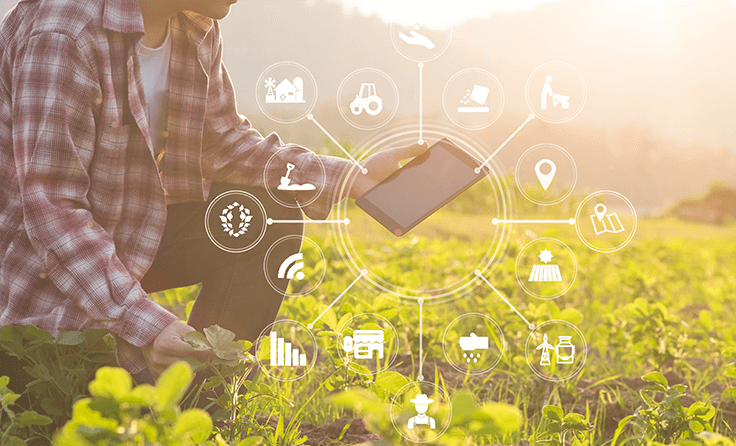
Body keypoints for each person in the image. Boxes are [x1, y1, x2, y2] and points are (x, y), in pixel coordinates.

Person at [0, 0, 426, 389]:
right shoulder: (62, 32)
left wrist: (352, 177)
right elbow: (52, 209)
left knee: (268, 214)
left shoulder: (193, 23)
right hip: (36, 275)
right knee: (67, 407)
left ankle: (204, 396)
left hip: (125, 243)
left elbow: (221, 141)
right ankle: (151, 363)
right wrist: (146, 325)